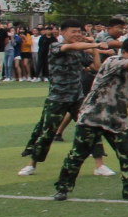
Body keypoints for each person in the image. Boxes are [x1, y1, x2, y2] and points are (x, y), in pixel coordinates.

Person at [53, 36, 128, 200]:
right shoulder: (112, 62)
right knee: (77, 154)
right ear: (124, 52)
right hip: (93, 116)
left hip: (116, 119)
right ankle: (62, 188)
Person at [19, 21, 97, 176]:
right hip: (58, 97)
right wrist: (96, 45)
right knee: (47, 133)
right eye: (73, 31)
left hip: (77, 97)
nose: (77, 34)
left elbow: (97, 67)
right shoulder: (55, 46)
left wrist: (95, 49)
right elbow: (71, 47)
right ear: (62, 32)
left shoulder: (81, 51)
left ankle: (99, 165)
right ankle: (32, 164)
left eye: (79, 32)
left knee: (91, 128)